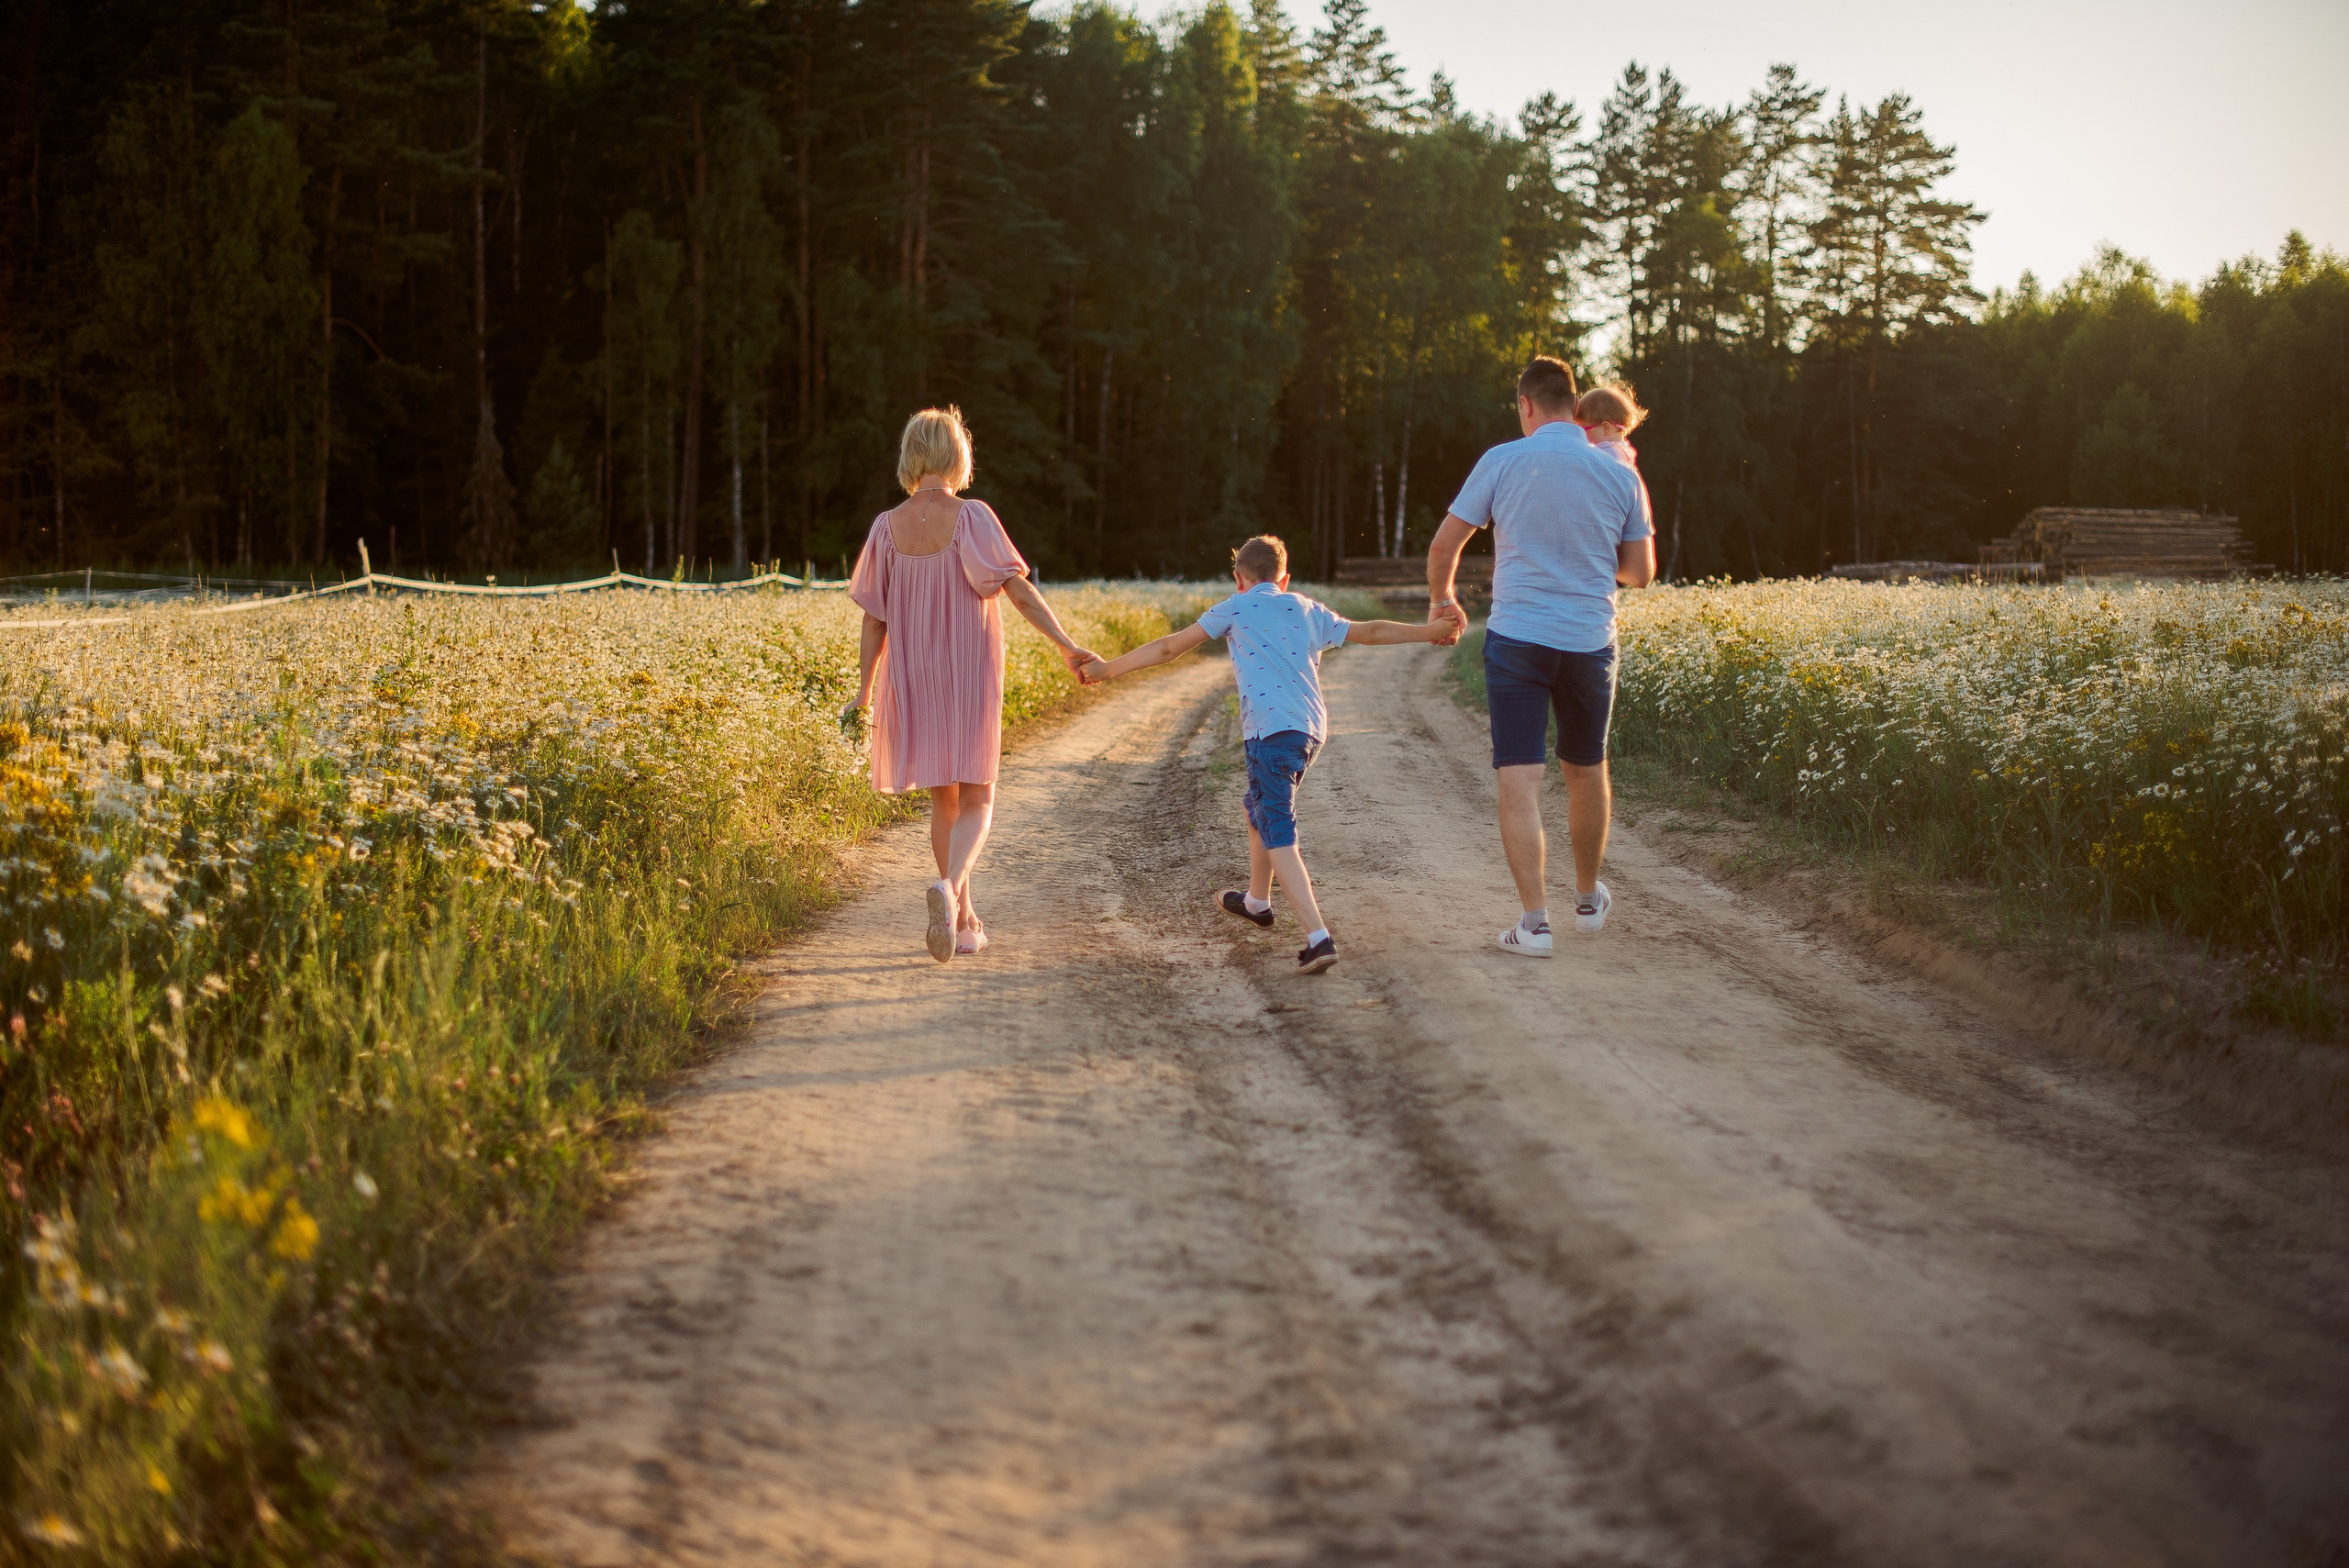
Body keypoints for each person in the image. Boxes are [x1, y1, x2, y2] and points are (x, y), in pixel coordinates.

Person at [1081, 534, 1460, 976]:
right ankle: (1257, 902)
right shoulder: (1305, 606)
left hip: (1270, 733)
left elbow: (1168, 648)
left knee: (1277, 825)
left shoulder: (1235, 607)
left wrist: (1108, 669)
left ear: (1239, 579)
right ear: (1285, 578)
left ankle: (1318, 937)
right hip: (1309, 732)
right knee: (1255, 807)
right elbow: (1370, 632)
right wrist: (1431, 631)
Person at [842, 406, 1102, 964]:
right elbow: (1019, 591)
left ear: (910, 456)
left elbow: (873, 620)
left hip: (912, 672)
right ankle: (950, 889)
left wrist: (864, 692)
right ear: (957, 455)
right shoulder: (971, 517)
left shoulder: (885, 527)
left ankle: (963, 923)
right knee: (980, 794)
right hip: (968, 668)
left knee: (945, 798)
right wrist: (1065, 644)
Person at [1425, 355, 1655, 954]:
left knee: (1519, 779)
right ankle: (1586, 899)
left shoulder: (1502, 460)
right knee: (1585, 770)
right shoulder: (1621, 474)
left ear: (1527, 405)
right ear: (1573, 406)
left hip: (1519, 639)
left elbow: (1446, 542)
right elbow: (1640, 572)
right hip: (1588, 640)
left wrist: (1442, 601)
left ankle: (1533, 924)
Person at [1575, 383, 1647, 474]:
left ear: (1606, 429)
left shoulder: (1608, 452)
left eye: (1584, 430)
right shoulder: (1621, 451)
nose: (1581, 434)